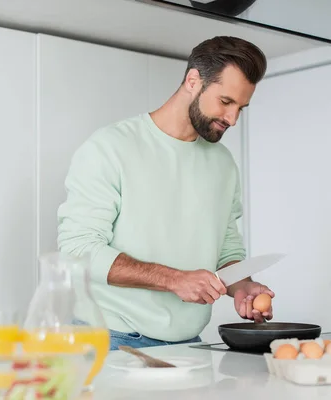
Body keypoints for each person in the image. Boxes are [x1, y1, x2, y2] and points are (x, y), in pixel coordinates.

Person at [57, 36, 275, 350]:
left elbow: (226, 249)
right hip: (110, 338)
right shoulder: (111, 147)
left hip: (187, 344)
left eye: (241, 107)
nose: (232, 119)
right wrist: (174, 279)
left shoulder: (223, 164)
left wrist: (241, 286)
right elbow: (78, 250)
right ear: (193, 81)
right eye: (226, 102)